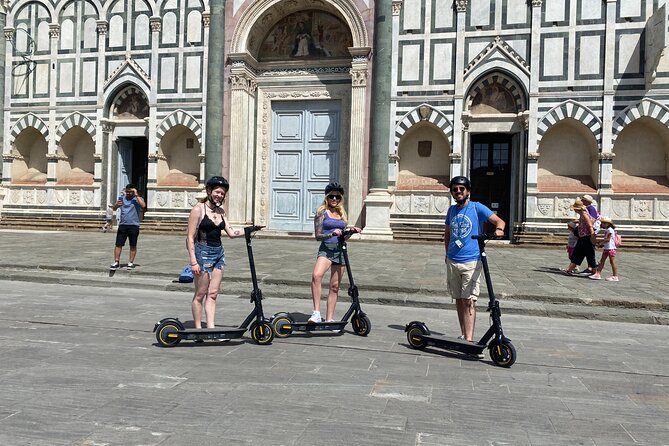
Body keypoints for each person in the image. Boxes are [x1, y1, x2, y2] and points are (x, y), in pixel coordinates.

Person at [444, 176, 505, 351]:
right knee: (458, 298)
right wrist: (446, 254)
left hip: (471, 260)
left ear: (468, 191)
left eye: (461, 189)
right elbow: (448, 233)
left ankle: (469, 341)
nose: (458, 192)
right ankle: (463, 335)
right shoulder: (451, 211)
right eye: (455, 189)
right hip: (453, 260)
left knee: (469, 299)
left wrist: (499, 230)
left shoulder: (477, 207)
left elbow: (499, 221)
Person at [186, 176, 242, 329]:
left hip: (219, 254)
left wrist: (250, 230)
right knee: (200, 294)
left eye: (222, 193)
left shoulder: (221, 211)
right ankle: (198, 328)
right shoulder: (198, 209)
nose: (219, 195)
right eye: (217, 192)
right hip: (202, 253)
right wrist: (193, 262)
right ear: (209, 191)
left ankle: (211, 328)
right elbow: (190, 238)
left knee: (213, 293)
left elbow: (231, 232)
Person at [308, 182, 361, 323]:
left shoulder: (342, 214)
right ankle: (316, 313)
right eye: (331, 196)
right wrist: (331, 234)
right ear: (327, 197)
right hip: (326, 250)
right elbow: (318, 236)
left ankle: (330, 319)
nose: (334, 199)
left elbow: (344, 236)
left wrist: (351, 232)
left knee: (335, 286)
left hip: (340, 251)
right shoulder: (321, 212)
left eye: (337, 197)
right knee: (316, 275)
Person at [110, 184, 146, 270]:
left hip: (134, 225)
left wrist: (136, 195)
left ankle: (130, 262)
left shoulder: (137, 199)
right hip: (123, 224)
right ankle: (116, 261)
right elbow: (114, 208)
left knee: (133, 245)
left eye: (131, 192)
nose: (129, 193)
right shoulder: (122, 198)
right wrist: (116, 205)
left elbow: (143, 205)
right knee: (118, 244)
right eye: (127, 191)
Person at [561, 199, 597, 275]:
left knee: (590, 255)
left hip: (586, 237)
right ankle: (569, 270)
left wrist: (592, 236)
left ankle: (595, 272)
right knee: (577, 254)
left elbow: (590, 225)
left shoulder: (584, 214)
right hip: (582, 237)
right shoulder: (582, 214)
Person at [589, 217, 619, 281]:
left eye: (603, 223)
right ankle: (598, 273)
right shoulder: (607, 230)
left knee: (612, 262)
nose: (602, 224)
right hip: (607, 248)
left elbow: (608, 239)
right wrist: (602, 244)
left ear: (608, 224)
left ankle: (615, 276)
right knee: (602, 261)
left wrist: (600, 242)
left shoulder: (610, 230)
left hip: (611, 248)